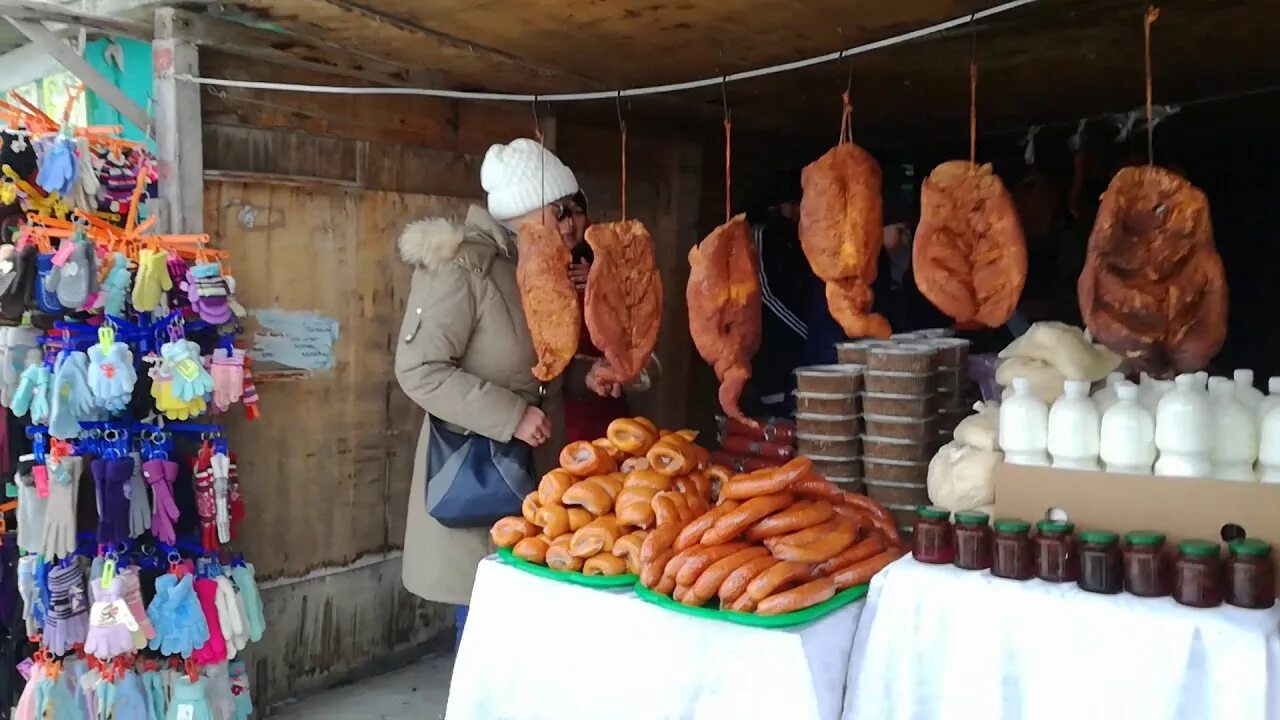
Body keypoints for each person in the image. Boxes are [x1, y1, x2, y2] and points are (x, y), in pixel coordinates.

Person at [394, 138, 592, 633]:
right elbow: (420, 369)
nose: (571, 223)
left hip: (535, 472)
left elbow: (537, 366)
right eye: (558, 210)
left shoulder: (540, 267)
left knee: (526, 629)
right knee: (489, 627)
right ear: (523, 214)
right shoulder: (462, 266)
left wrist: (592, 374)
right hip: (480, 469)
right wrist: (511, 416)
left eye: (575, 208)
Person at [556, 190, 636, 441]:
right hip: (558, 404)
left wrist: (604, 284)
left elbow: (633, 331)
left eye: (577, 213)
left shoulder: (607, 261)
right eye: (560, 215)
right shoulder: (534, 268)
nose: (569, 226)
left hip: (607, 396)